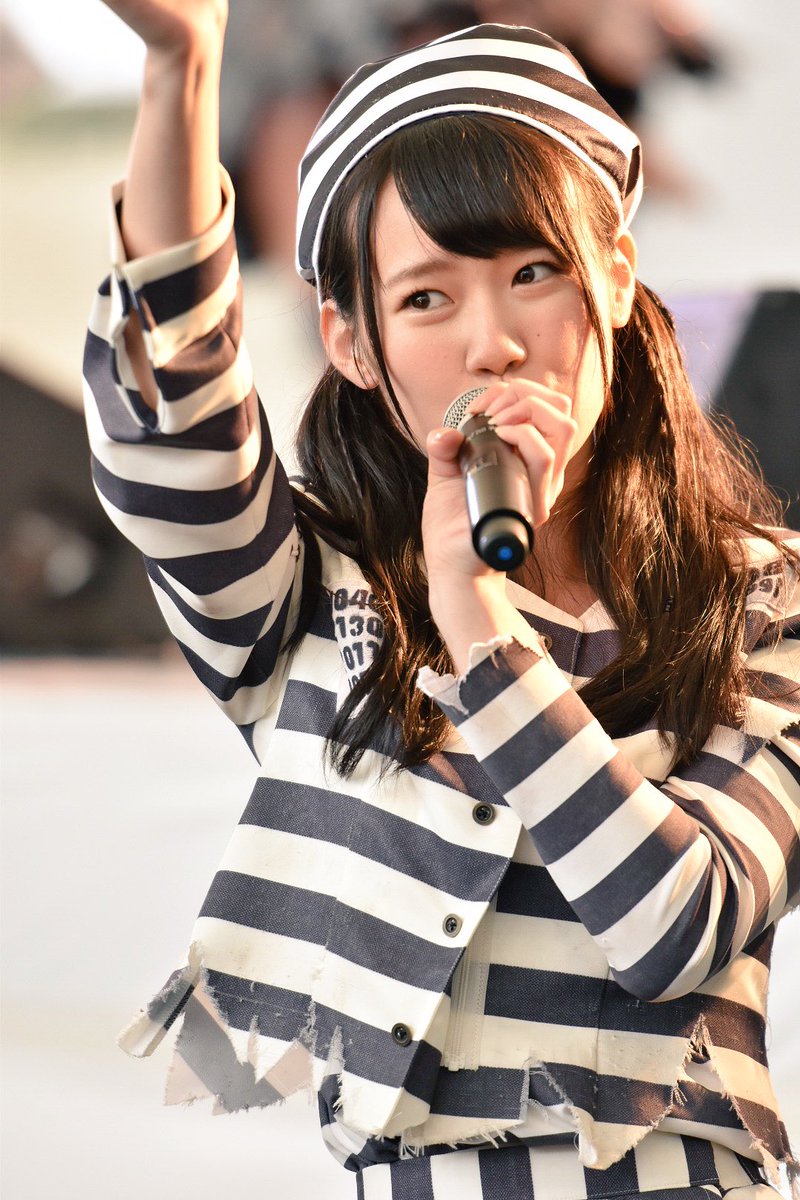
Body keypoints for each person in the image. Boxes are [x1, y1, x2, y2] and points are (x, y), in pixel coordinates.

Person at [84, 3, 800, 1197]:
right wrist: (180, 66)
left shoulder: (760, 595)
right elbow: (175, 423)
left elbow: (675, 925)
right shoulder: (315, 591)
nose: (492, 343)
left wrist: (483, 628)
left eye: (531, 274)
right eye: (425, 299)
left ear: (615, 279)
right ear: (351, 343)